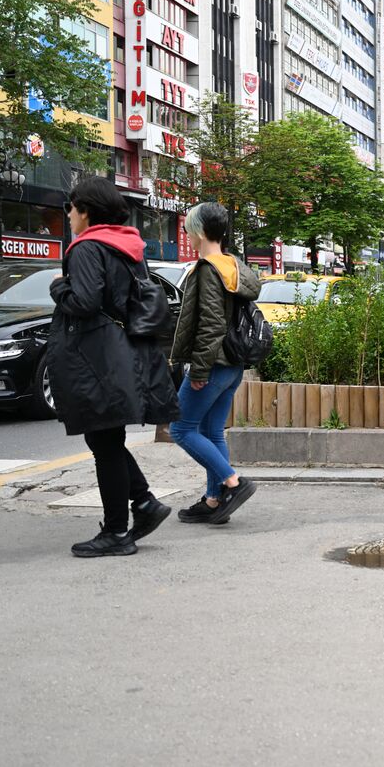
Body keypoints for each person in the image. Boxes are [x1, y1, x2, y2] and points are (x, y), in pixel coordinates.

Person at [47, 177, 179, 557]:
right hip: (123, 352)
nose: (69, 216)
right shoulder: (128, 246)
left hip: (98, 357)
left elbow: (85, 301)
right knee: (106, 439)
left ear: (86, 210)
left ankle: (118, 532)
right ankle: (143, 503)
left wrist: (58, 287)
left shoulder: (87, 247)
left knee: (104, 443)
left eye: (72, 209)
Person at [169, 203, 263, 525]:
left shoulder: (209, 269)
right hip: (232, 364)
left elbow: (210, 324)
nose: (186, 234)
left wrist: (199, 369)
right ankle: (213, 501)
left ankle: (232, 483)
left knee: (180, 428)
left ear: (198, 231)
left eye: (188, 228)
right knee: (211, 430)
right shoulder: (232, 265)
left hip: (214, 364)